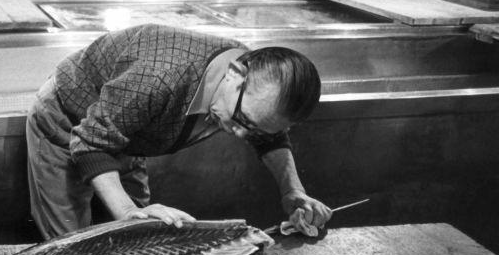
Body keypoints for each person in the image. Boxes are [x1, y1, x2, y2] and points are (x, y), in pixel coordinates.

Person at [26, 25, 333, 239]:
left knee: (138, 237)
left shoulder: (255, 86)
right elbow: (91, 141)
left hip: (125, 130)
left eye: (254, 130)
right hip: (69, 120)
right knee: (73, 245)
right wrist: (127, 211)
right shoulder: (158, 77)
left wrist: (292, 190)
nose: (241, 135)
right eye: (241, 120)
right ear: (235, 74)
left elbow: (270, 135)